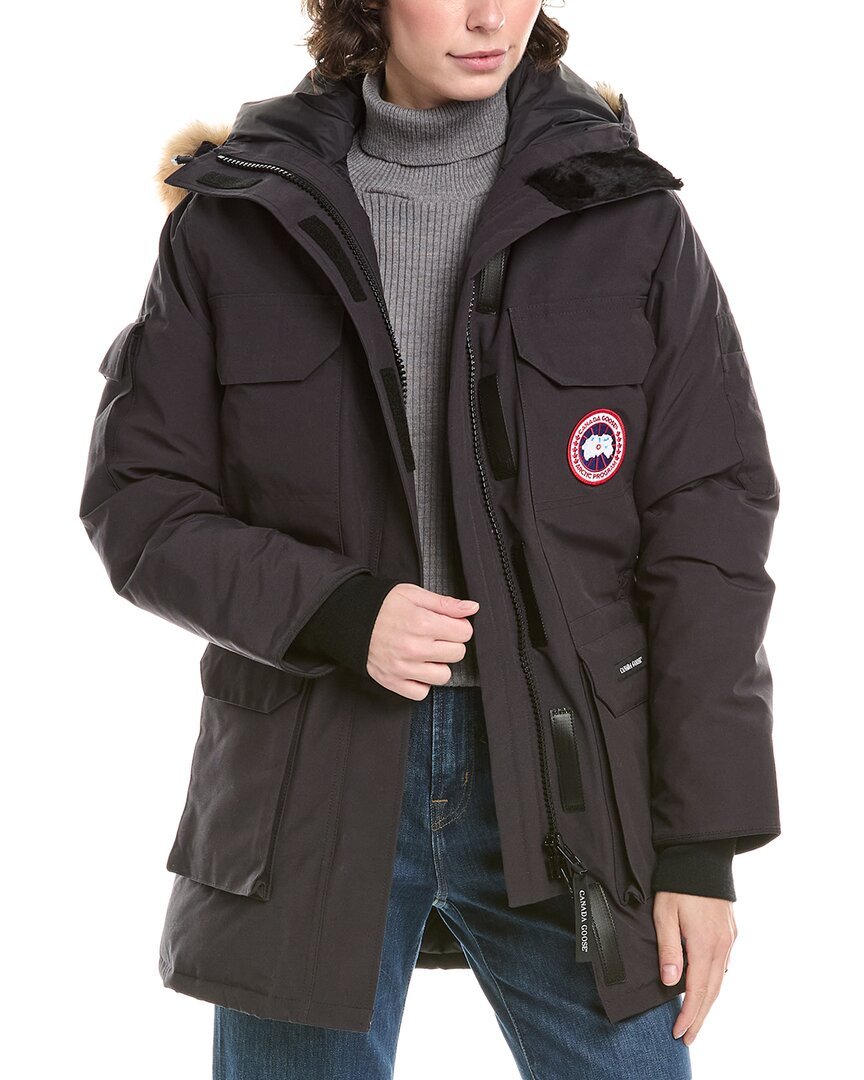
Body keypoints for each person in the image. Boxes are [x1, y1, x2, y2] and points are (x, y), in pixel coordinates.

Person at [79, 1, 781, 1077]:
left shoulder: (624, 213)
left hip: (567, 782)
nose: (490, 15)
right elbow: (141, 499)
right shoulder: (236, 217)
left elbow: (710, 531)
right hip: (310, 774)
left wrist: (701, 847)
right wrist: (337, 609)